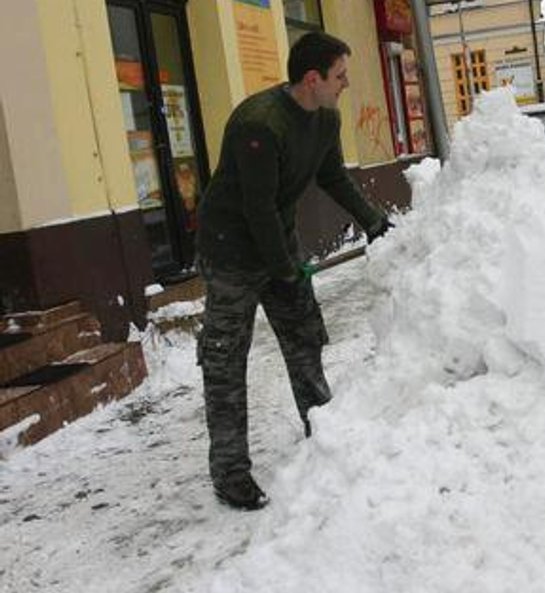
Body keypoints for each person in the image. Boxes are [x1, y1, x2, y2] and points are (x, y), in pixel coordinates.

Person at [195, 31, 391, 511]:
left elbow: (331, 176)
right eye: (340, 75)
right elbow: (255, 208)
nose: (346, 84)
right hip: (231, 252)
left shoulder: (325, 118)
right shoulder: (259, 124)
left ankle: (323, 432)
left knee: (304, 337)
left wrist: (373, 221)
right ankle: (230, 472)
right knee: (225, 360)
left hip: (275, 239)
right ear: (312, 78)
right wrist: (285, 270)